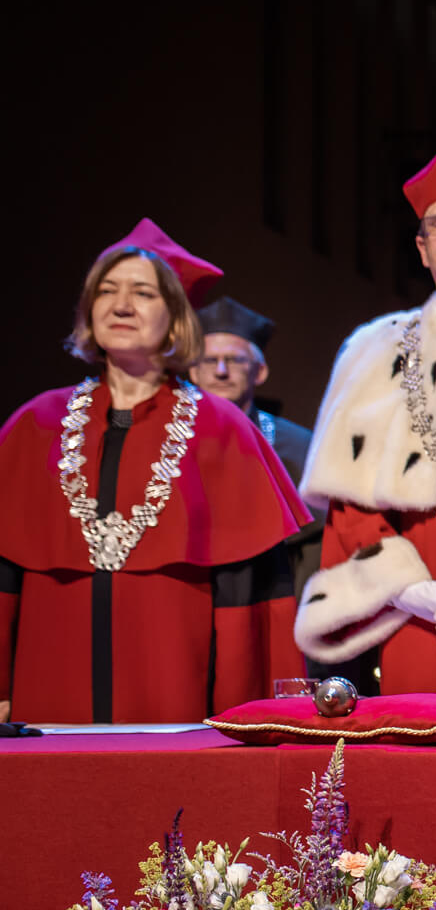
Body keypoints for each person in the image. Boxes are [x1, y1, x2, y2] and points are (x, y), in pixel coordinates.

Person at [0, 220, 309, 723]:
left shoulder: (220, 428)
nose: (120, 305)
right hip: (45, 701)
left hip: (177, 705)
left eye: (142, 292)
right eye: (106, 290)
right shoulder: (35, 424)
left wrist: (237, 715)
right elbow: (4, 577)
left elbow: (247, 596)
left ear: (177, 319)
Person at [292, 144, 436, 704]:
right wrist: (407, 588)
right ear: (422, 249)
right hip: (418, 618)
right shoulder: (373, 349)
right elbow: (349, 500)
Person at [194, 296, 324, 594]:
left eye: (236, 360)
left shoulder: (300, 446)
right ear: (193, 372)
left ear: (260, 371)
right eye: (210, 361)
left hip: (273, 589)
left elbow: (314, 552)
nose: (221, 371)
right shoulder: (171, 439)